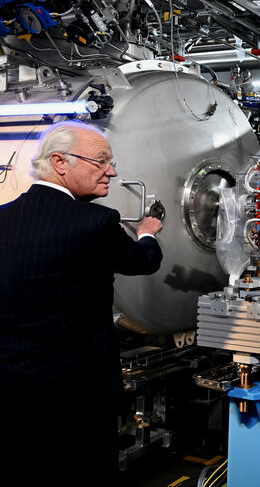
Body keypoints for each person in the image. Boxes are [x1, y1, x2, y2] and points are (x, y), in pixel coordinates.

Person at [0, 122, 163, 481]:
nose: (113, 171)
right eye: (101, 161)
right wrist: (148, 233)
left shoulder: (3, 217)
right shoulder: (96, 222)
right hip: (77, 396)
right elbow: (143, 261)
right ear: (60, 162)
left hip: (12, 387)